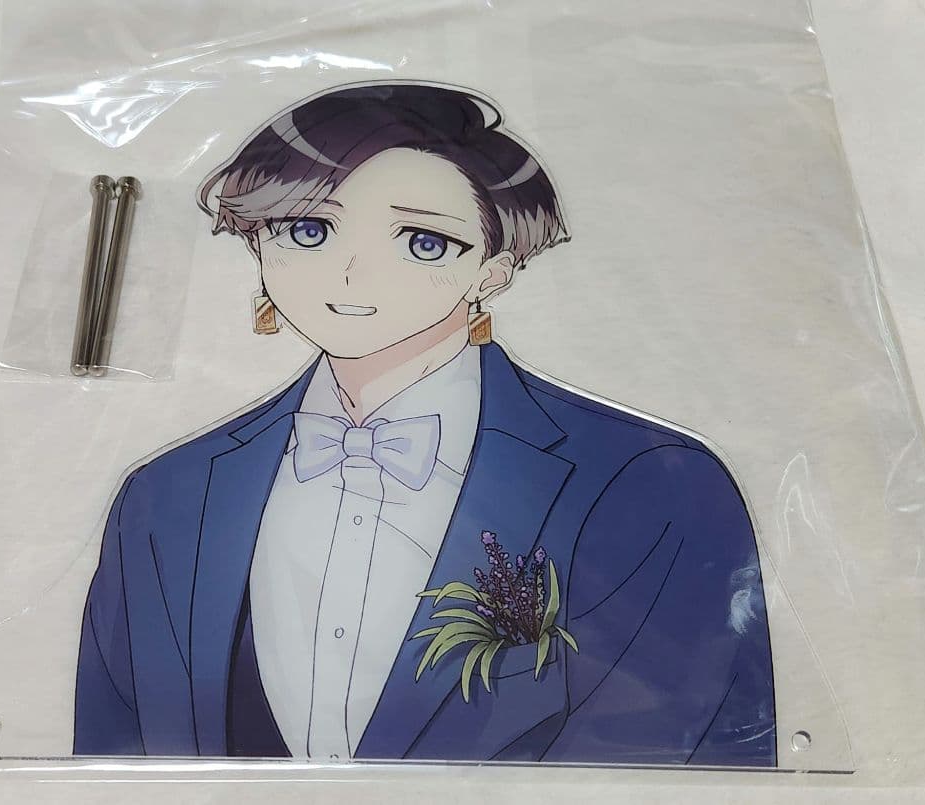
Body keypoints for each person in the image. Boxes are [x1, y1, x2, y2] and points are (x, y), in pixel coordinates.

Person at [74, 81, 776, 766]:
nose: (352, 275)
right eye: (309, 231)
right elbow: (105, 761)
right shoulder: (166, 493)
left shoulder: (651, 481)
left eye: (423, 242)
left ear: (494, 271)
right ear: (258, 244)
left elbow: (694, 755)